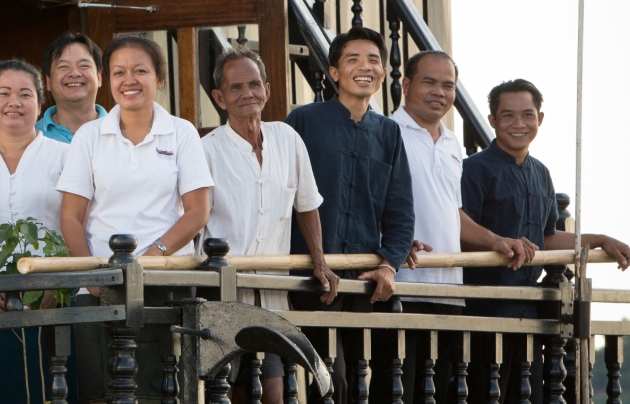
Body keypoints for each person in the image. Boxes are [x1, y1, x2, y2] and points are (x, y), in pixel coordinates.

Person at [57, 35, 214, 403]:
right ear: (106, 79)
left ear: (159, 78)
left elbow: (197, 211)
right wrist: (92, 279)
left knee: (161, 391)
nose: (129, 80)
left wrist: (153, 258)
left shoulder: (181, 132)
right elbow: (71, 216)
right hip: (100, 284)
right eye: (119, 72)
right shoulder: (90, 136)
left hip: (165, 281)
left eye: (140, 70)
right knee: (102, 392)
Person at [461, 79, 630, 403]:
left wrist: (600, 240)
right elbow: (457, 234)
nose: (519, 124)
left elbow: (547, 237)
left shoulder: (542, 172)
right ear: (492, 121)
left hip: (529, 308)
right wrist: (499, 243)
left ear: (540, 118)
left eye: (527, 114)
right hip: (483, 307)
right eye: (507, 115)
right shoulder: (473, 170)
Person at [389, 52, 534, 404]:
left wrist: (496, 240)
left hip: (450, 293)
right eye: (429, 82)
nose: (439, 91)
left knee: (441, 394)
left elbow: (454, 214)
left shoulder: (453, 143)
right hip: (403, 287)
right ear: (406, 85)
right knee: (398, 393)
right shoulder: (386, 131)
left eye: (448, 85)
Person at [201, 46, 340, 404]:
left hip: (273, 295)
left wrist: (319, 260)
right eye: (235, 87)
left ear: (267, 89)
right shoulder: (207, 150)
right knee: (226, 392)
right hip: (224, 295)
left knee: (275, 393)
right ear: (219, 97)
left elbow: (306, 205)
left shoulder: (287, 138)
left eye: (254, 84)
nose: (247, 93)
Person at [283, 27, 414, 404]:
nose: (365, 67)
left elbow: (401, 209)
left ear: (384, 73)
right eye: (353, 59)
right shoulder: (304, 120)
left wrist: (390, 264)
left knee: (370, 383)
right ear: (334, 72)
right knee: (324, 381)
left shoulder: (389, 132)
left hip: (367, 280)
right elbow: (281, 193)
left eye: (374, 60)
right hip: (310, 275)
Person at [0, 59, 73, 403]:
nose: (14, 102)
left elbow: (79, 224)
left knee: (54, 387)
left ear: (40, 105)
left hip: (53, 296)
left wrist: (62, 281)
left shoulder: (67, 158)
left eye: (25, 94)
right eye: (4, 93)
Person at [36, 32, 107, 143]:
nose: (74, 73)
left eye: (84, 65)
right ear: (48, 81)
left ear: (99, 77)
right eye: (63, 66)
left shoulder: (121, 131)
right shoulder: (32, 136)